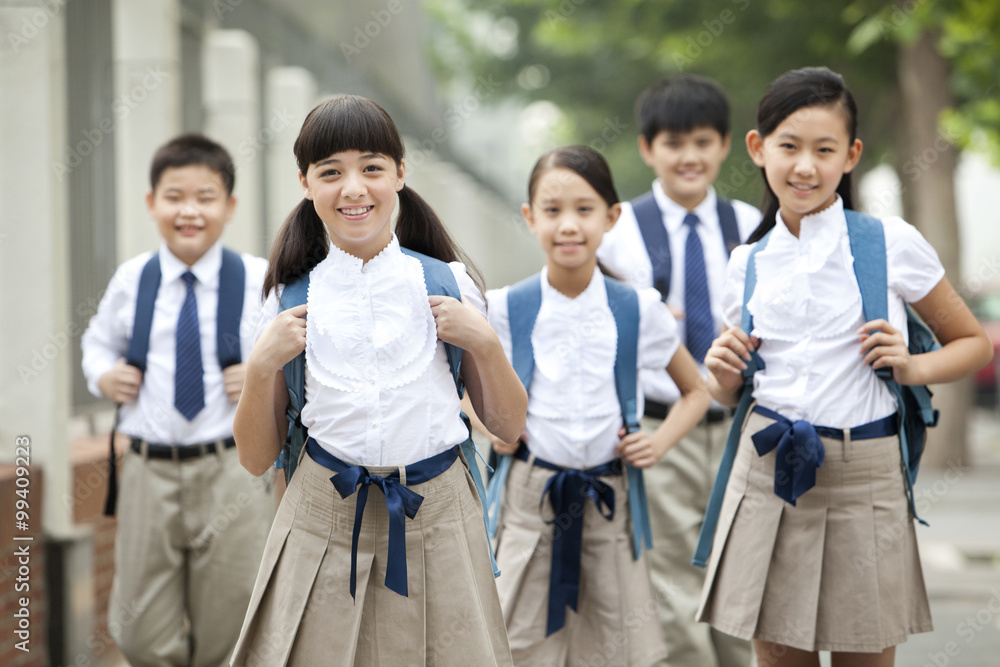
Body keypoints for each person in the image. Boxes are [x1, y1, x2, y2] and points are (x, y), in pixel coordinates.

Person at [695, 66, 994, 667]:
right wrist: (721, 374)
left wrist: (911, 366)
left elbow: (972, 342)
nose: (805, 166)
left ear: (851, 156)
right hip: (768, 470)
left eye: (824, 149)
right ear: (758, 149)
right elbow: (732, 391)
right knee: (778, 659)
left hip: (867, 474)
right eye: (789, 147)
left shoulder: (890, 242)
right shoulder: (745, 262)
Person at [229, 94, 527, 667]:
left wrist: (485, 343)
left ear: (400, 173)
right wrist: (263, 365)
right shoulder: (285, 301)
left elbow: (509, 425)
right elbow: (254, 457)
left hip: (439, 511)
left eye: (371, 168)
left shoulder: (448, 284)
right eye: (331, 172)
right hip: (321, 514)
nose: (354, 189)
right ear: (305, 183)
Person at [479, 145, 711, 666]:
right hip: (528, 498)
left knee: (614, 645)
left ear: (611, 217)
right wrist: (489, 425)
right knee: (519, 642)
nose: (568, 226)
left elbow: (696, 390)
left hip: (610, 497)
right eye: (553, 210)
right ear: (529, 217)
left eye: (584, 210)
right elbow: (460, 388)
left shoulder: (635, 308)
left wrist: (657, 441)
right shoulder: (504, 308)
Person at [81, 134, 273, 667]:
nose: (189, 210)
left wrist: (260, 374)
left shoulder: (257, 278)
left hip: (231, 468)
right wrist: (103, 375)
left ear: (230, 207)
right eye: (174, 196)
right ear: (152, 204)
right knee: (139, 630)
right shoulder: (134, 279)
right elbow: (96, 342)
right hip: (148, 469)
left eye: (206, 196)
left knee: (232, 622)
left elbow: (294, 353)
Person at [596, 73, 759, 667]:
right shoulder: (614, 235)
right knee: (671, 586)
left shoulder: (752, 228)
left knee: (743, 583)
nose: (689, 157)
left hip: (744, 431)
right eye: (673, 143)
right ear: (647, 149)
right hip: (662, 432)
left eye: (702, 142)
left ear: (725, 145)